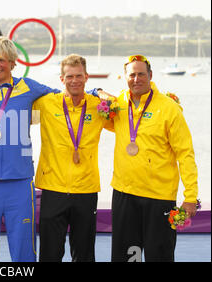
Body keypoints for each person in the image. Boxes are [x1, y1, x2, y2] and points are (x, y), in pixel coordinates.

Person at [0, 36, 64, 262]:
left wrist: (97, 93)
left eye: (1, 60)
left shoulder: (28, 87)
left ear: (12, 63)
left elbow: (63, 97)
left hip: (19, 184)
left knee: (23, 249)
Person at [110, 54, 199, 262]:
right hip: (125, 193)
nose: (136, 79)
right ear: (125, 76)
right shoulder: (117, 105)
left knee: (159, 255)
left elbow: (185, 153)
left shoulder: (169, 108)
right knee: (126, 256)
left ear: (150, 75)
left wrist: (190, 196)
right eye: (132, 74)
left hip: (159, 198)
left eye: (141, 74)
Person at [32, 54, 114, 262]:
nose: (74, 81)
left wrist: (100, 92)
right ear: (61, 79)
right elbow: (15, 104)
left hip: (86, 189)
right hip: (53, 188)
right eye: (69, 77)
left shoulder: (98, 106)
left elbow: (125, 113)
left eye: (79, 76)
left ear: (87, 77)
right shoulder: (47, 103)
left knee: (84, 253)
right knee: (50, 253)